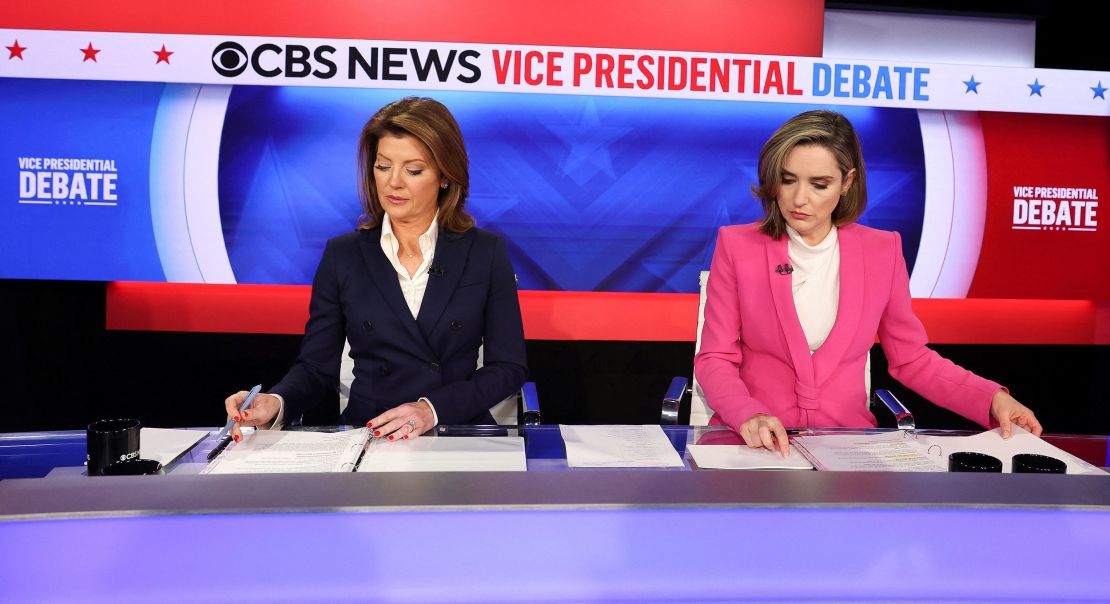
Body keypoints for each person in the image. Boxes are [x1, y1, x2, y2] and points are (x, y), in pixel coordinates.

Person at [693, 110, 1041, 455]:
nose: (799, 199)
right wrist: (748, 414)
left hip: (846, 448)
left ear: (847, 182)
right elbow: (715, 358)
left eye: (819, 184)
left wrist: (992, 398)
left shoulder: (882, 251)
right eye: (787, 180)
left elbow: (912, 360)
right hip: (751, 446)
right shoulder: (737, 246)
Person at [224, 97, 527, 442]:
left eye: (413, 170)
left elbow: (508, 367)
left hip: (455, 429)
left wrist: (430, 409)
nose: (393, 183)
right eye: (383, 167)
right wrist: (276, 403)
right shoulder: (343, 255)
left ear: (445, 175)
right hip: (369, 433)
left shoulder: (485, 252)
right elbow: (315, 368)